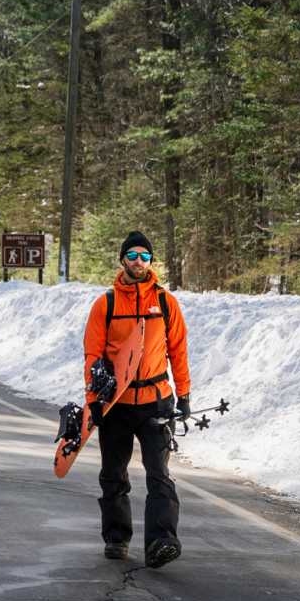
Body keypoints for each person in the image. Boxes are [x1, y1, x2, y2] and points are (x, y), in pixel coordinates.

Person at [83, 232, 191, 569]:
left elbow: (178, 350)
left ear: (151, 262)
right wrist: (94, 400)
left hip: (156, 401)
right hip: (116, 403)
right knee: (113, 474)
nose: (139, 262)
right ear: (122, 259)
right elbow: (93, 355)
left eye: (145, 256)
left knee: (159, 473)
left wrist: (184, 393)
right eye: (132, 255)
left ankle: (162, 540)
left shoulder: (166, 302)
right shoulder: (106, 303)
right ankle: (117, 538)